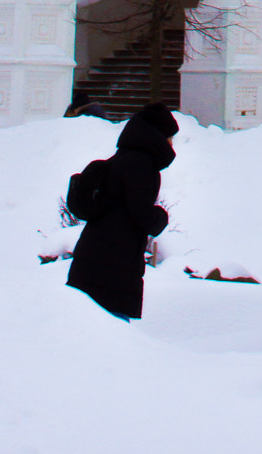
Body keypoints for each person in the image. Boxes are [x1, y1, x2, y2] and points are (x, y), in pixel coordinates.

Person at [65, 105, 178, 321]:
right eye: (169, 137)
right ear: (156, 136)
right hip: (114, 266)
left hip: (93, 259)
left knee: (88, 328)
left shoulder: (122, 158)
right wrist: (161, 217)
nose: (172, 144)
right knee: (113, 335)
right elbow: (140, 213)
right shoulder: (142, 165)